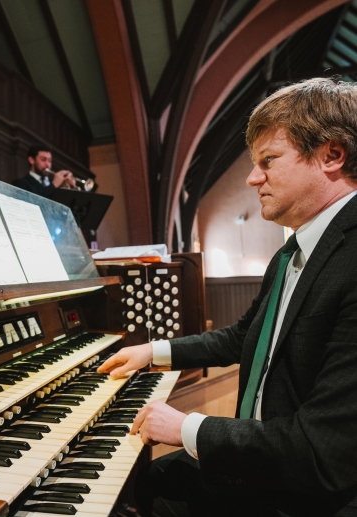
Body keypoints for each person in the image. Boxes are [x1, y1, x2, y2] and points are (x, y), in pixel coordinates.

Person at [98, 78, 357, 517]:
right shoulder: (291, 254)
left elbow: (321, 453)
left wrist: (189, 426)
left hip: (307, 492)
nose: (252, 177)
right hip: (267, 451)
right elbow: (243, 337)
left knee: (148, 495)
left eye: (268, 161)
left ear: (331, 155)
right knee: (149, 481)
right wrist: (152, 352)